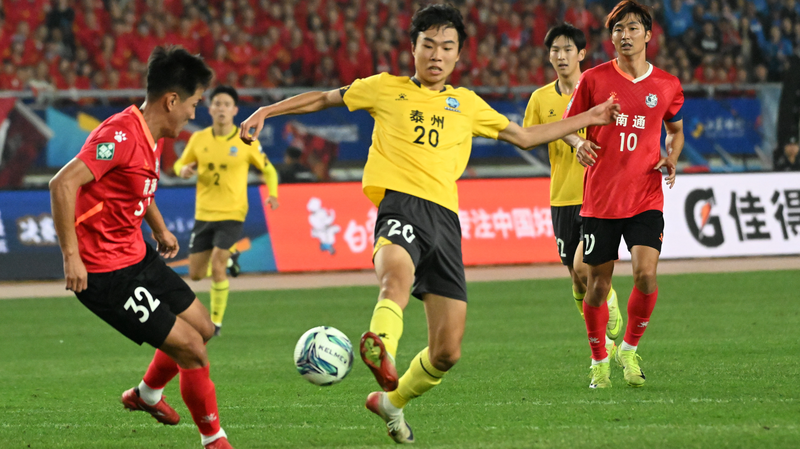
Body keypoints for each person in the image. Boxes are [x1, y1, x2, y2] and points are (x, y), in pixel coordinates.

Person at [240, 4, 619, 443]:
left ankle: (390, 401)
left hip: (445, 221)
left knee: (447, 351)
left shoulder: (468, 104)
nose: (437, 54)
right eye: (428, 45)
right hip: (400, 205)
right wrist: (268, 109)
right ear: (413, 48)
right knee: (395, 278)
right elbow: (325, 97)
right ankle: (381, 346)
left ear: (457, 56)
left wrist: (589, 118)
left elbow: (525, 136)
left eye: (447, 47)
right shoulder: (384, 88)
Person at [48, 46, 234, 449]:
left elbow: (136, 186)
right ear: (171, 100)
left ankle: (146, 395)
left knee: (203, 329)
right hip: (104, 273)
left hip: (137, 256)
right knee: (191, 351)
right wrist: (71, 256)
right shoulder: (118, 134)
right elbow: (62, 184)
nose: (193, 113)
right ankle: (214, 441)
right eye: (194, 104)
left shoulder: (154, 135)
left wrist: (160, 228)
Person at [563, 0, 685, 389]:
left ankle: (628, 350)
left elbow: (676, 130)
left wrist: (672, 156)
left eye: (632, 28)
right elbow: (566, 125)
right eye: (618, 30)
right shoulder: (594, 80)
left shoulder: (667, 85)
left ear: (648, 35)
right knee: (597, 285)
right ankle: (599, 358)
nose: (625, 35)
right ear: (611, 37)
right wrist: (576, 142)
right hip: (601, 197)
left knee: (646, 274)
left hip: (646, 194)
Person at [523, 23, 622, 360]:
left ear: (581, 54)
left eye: (568, 50)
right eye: (555, 50)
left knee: (585, 268)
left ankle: (609, 301)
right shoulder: (540, 98)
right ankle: (602, 341)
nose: (561, 56)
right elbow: (530, 136)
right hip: (561, 196)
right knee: (577, 280)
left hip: (596, 193)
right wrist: (568, 138)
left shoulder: (599, 89)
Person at [174, 85, 279, 336]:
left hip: (232, 213)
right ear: (209, 109)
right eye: (217, 103)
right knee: (196, 274)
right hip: (204, 214)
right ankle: (231, 257)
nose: (221, 108)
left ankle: (216, 323)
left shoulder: (246, 141)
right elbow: (179, 163)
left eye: (226, 104)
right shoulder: (199, 140)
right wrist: (183, 170)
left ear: (235, 110)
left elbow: (269, 169)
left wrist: (273, 193)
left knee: (218, 267)